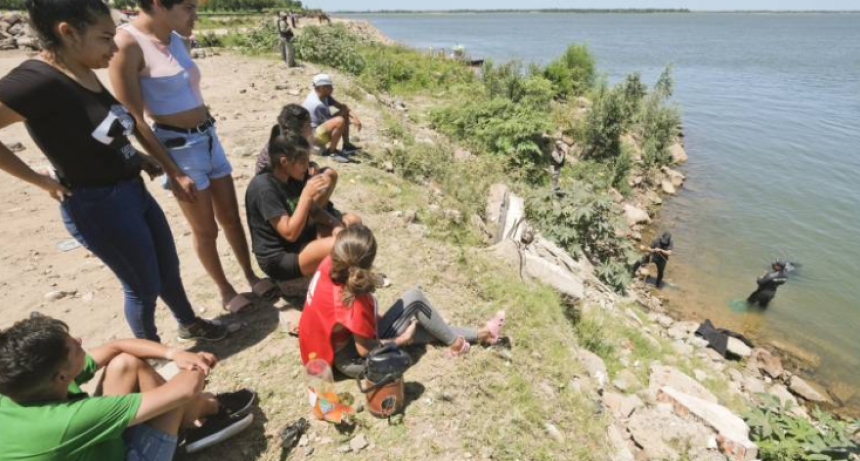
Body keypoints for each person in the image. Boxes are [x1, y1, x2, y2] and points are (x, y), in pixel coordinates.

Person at [0, 0, 226, 342]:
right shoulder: (38, 79)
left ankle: (188, 322)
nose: (114, 47)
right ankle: (148, 357)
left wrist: (137, 157)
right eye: (106, 38)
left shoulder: (81, 69)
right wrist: (39, 180)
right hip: (96, 203)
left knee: (167, 267)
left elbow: (97, 131)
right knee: (142, 285)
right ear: (69, 33)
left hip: (131, 189)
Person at [110, 0, 277, 315]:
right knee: (205, 229)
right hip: (177, 149)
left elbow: (188, 90)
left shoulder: (175, 37)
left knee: (230, 217)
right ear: (159, 4)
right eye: (188, 7)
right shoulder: (128, 43)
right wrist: (172, 171)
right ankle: (225, 291)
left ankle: (250, 275)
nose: (194, 15)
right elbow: (133, 118)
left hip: (209, 139)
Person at [0, 314, 256, 460]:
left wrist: (174, 354)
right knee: (174, 396)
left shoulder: (23, 387)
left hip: (88, 446)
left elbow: (116, 347)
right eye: (75, 347)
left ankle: (200, 413)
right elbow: (182, 391)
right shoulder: (64, 421)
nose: (80, 341)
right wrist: (199, 363)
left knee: (125, 364)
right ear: (60, 377)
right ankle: (210, 409)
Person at [299, 224, 507, 378]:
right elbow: (366, 350)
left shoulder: (330, 263)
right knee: (415, 301)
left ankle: (480, 335)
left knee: (426, 324)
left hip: (318, 347)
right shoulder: (353, 302)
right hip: (349, 359)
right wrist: (401, 340)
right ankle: (457, 343)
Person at [246, 133, 361, 285]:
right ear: (284, 162)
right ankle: (348, 282)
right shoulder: (264, 188)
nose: (308, 167)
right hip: (280, 257)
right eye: (303, 162)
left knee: (353, 222)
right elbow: (289, 233)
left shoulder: (292, 177)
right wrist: (306, 195)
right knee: (344, 245)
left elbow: (314, 211)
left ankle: (343, 274)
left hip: (301, 239)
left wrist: (335, 224)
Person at [303, 73, 363, 161]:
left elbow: (342, 107)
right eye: (329, 87)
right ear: (322, 88)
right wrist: (348, 121)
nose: (332, 89)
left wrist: (355, 118)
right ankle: (332, 152)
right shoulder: (317, 104)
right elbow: (333, 122)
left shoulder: (323, 95)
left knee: (342, 113)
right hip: (311, 135)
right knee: (340, 121)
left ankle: (346, 145)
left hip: (319, 127)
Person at [254, 103, 316, 176]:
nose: (310, 129)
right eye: (307, 125)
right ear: (298, 130)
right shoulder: (285, 147)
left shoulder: (300, 142)